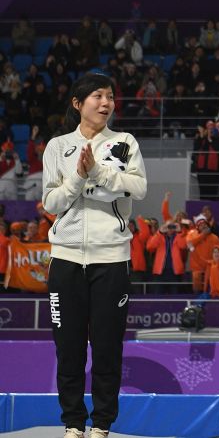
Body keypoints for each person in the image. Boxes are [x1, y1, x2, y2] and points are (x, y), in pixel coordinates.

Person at [42, 72, 147, 438]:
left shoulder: (123, 142)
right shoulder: (57, 147)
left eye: (110, 97)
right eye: (98, 96)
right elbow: (51, 201)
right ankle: (73, 423)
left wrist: (98, 172)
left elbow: (139, 187)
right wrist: (76, 178)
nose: (106, 103)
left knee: (106, 347)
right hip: (66, 259)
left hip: (111, 259)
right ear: (78, 103)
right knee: (67, 349)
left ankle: (102, 424)